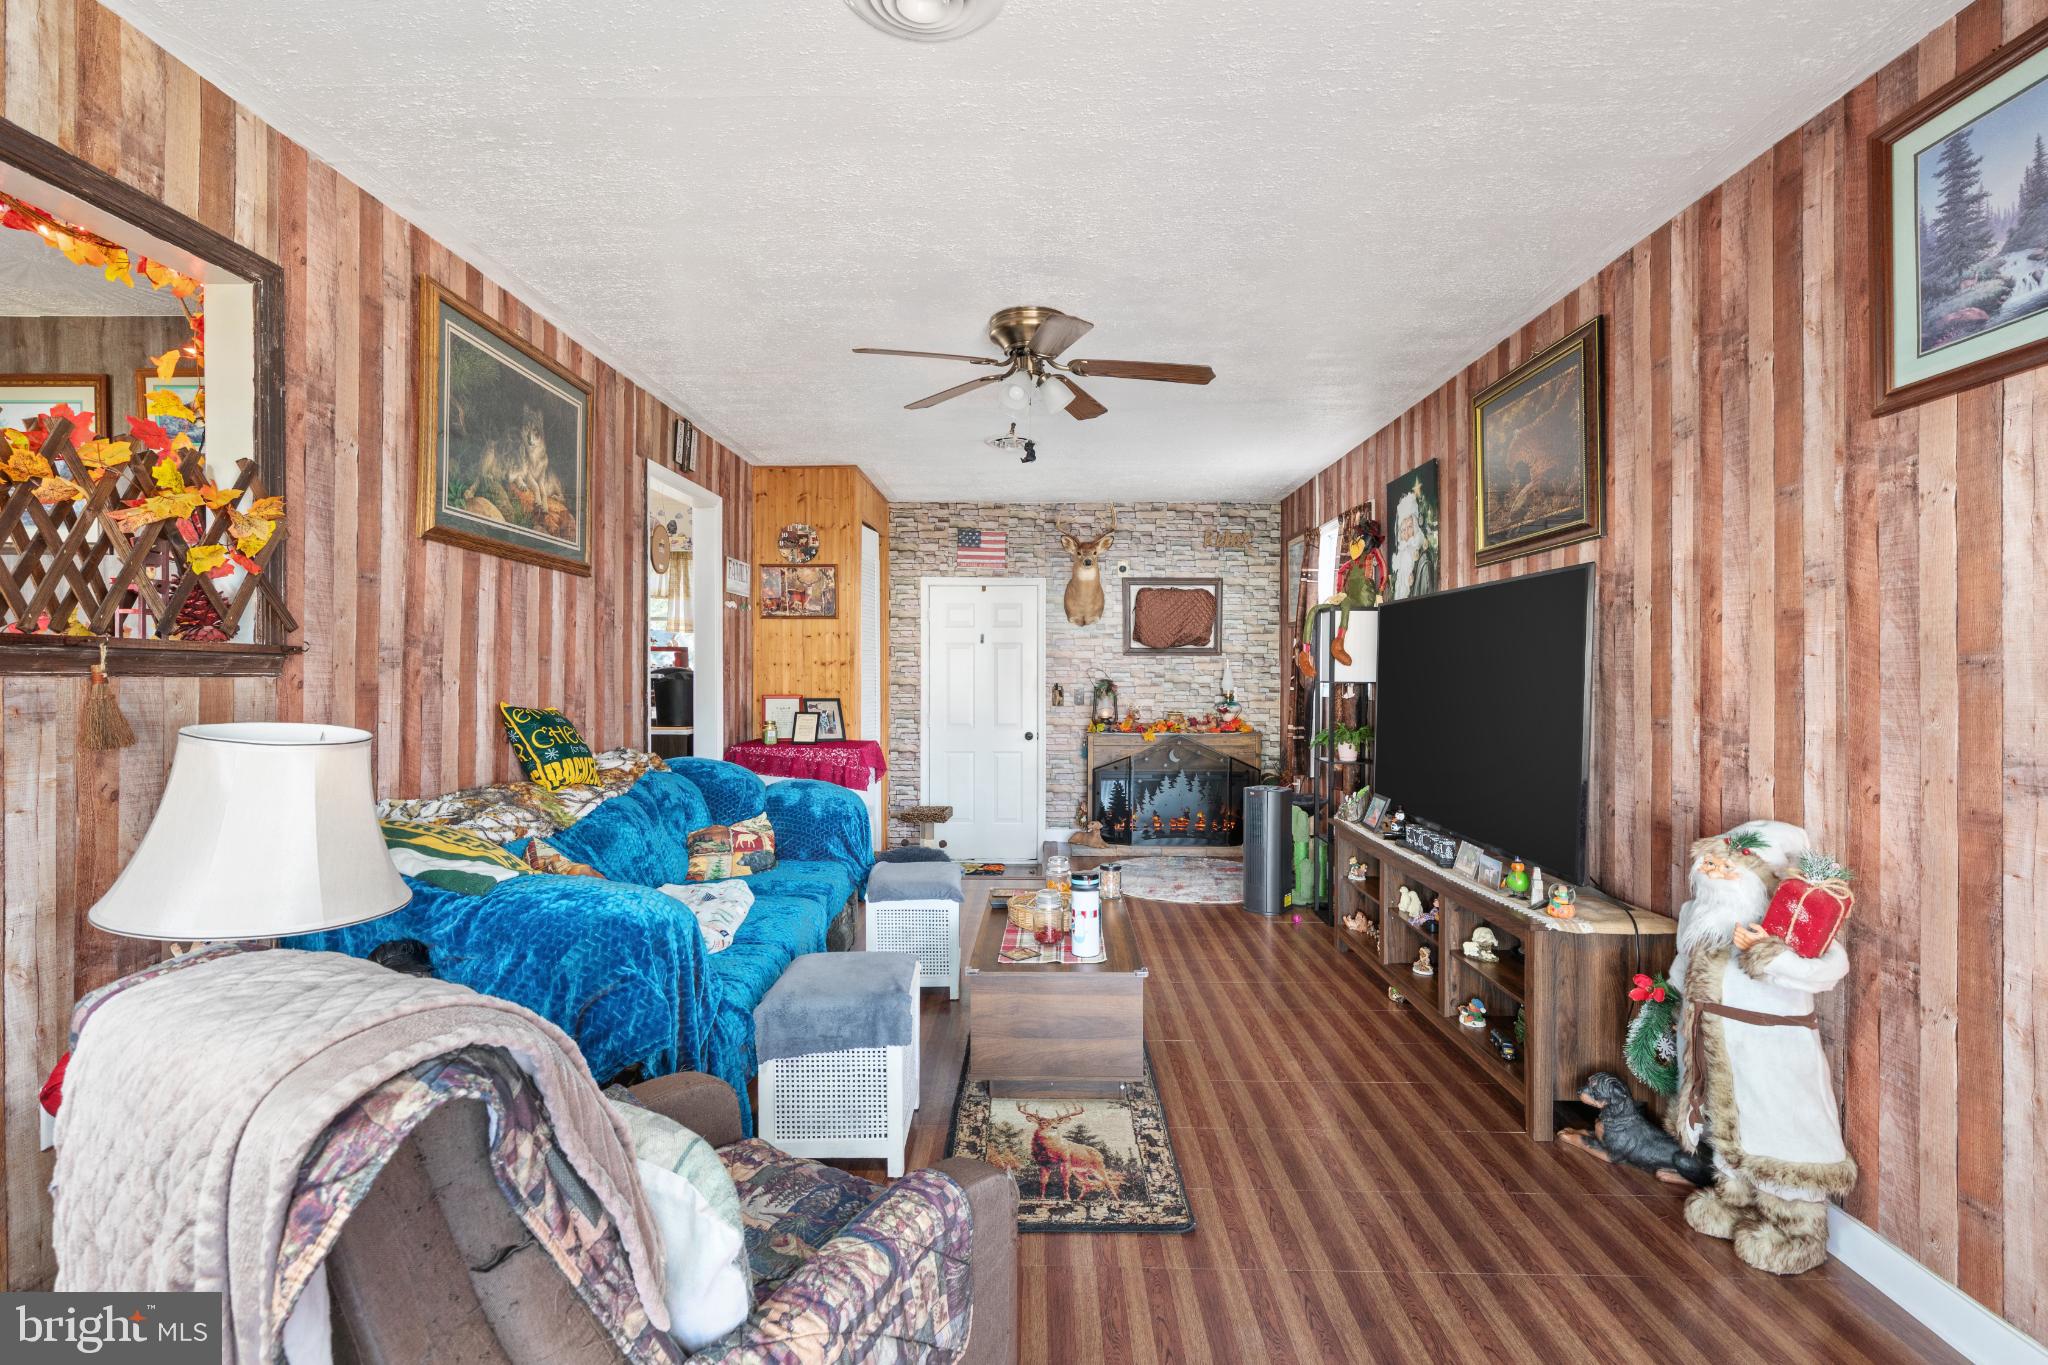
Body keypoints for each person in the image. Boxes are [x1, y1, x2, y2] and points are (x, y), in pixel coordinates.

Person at [1669, 820, 1855, 1275]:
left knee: (1781, 1127)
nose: (1714, 871)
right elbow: (1683, 964)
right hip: (1715, 1040)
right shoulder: (1701, 914)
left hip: (1771, 1047)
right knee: (1724, 1121)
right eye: (1710, 862)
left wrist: (1768, 954)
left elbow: (1830, 969)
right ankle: (1733, 1201)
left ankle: (1796, 1230)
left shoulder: (1790, 929)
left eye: (1728, 866)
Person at [1387, 479, 1438, 600]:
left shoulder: (1424, 563)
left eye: (1410, 527)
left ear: (1416, 528)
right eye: (1403, 530)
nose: (1407, 534)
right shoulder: (1399, 566)